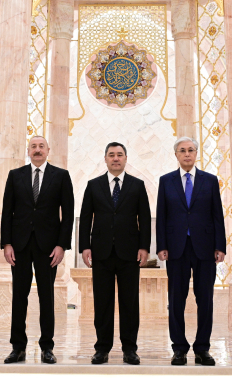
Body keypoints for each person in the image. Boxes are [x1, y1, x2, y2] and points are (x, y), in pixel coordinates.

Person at [0, 135, 74, 364]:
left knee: (46, 296)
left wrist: (62, 245)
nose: (38, 150)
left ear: (48, 150)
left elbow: (68, 214)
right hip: (20, 246)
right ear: (28, 151)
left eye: (41, 146)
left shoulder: (61, 176)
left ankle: (47, 347)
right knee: (19, 297)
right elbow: (7, 211)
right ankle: (17, 347)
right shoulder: (15, 176)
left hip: (48, 247)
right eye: (34, 146)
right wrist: (7, 244)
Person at [79, 142, 151, 366]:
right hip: (101, 252)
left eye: (120, 155)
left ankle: (130, 349)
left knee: (129, 303)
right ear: (105, 159)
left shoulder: (137, 186)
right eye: (111, 155)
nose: (116, 158)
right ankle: (102, 348)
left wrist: (144, 247)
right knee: (102, 303)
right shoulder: (93, 185)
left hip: (129, 253)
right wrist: (85, 246)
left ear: (126, 158)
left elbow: (145, 219)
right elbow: (85, 218)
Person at [156, 137, 225, 366]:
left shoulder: (210, 180)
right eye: (182, 151)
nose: (187, 154)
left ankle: (202, 348)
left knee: (205, 299)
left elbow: (217, 216)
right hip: (176, 248)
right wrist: (162, 246)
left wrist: (220, 246)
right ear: (176, 155)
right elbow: (162, 216)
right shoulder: (166, 181)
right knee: (176, 299)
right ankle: (179, 348)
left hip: (205, 248)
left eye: (191, 150)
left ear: (196, 153)